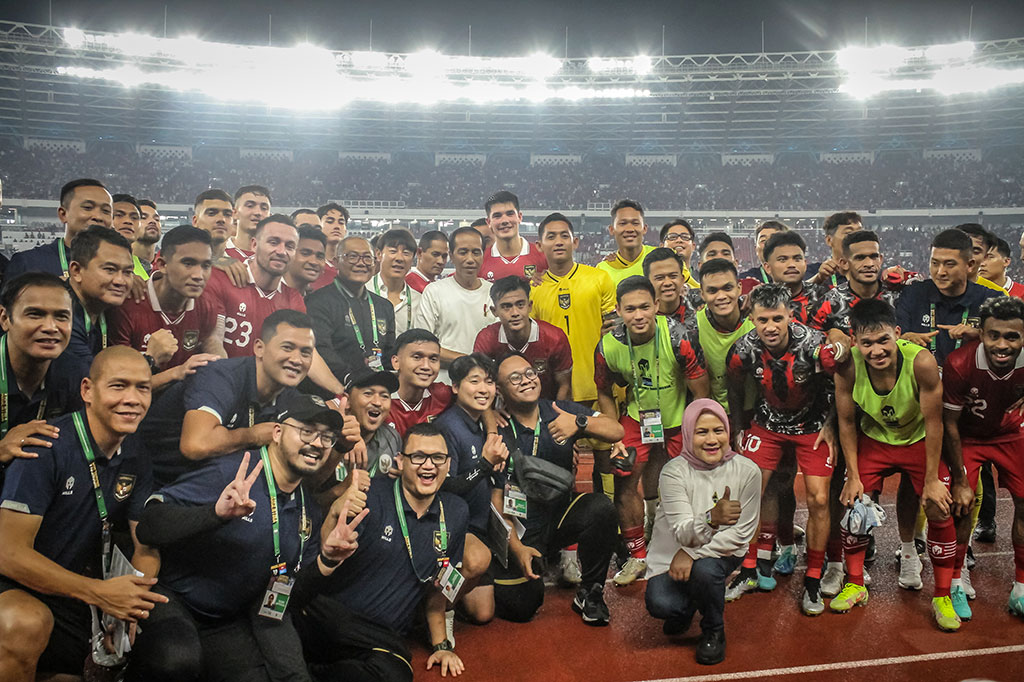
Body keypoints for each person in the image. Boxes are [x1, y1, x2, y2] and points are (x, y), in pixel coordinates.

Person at [127, 393, 350, 682]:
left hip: (226, 620)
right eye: (307, 431)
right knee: (177, 659)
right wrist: (215, 514)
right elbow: (148, 526)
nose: (317, 443)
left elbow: (286, 599)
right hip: (174, 600)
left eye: (327, 437)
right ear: (278, 433)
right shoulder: (233, 472)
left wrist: (326, 561)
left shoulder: (307, 509)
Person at [0, 347, 163, 681]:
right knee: (26, 623)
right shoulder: (46, 447)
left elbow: (145, 544)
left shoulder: (136, 453)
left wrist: (130, 605)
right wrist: (99, 593)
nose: (132, 399)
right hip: (13, 582)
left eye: (142, 388)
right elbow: (7, 553)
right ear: (87, 390)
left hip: (67, 589)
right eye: (118, 386)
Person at [294, 423, 470, 682]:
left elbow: (438, 590)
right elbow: (321, 557)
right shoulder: (368, 495)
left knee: (397, 673)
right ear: (400, 461)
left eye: (438, 458)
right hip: (330, 618)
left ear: (448, 463)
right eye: (418, 456)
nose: (429, 465)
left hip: (379, 638)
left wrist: (442, 646)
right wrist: (333, 514)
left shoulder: (456, 512)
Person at [834, 299, 959, 631]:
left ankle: (942, 596)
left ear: (898, 334)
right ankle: (856, 584)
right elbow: (846, 422)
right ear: (854, 341)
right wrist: (853, 476)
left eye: (883, 340)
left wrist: (932, 479)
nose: (876, 350)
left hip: (918, 439)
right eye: (867, 343)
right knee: (854, 503)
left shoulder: (921, 362)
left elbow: (934, 422)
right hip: (876, 439)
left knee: (938, 507)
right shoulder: (848, 367)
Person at [724, 284, 838, 615]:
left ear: (790, 315)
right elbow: (733, 385)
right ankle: (748, 569)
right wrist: (738, 426)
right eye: (763, 320)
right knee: (749, 491)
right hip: (767, 424)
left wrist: (832, 424)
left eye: (777, 318)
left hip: (812, 426)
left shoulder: (814, 345)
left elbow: (843, 383)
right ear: (752, 318)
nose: (770, 327)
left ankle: (813, 578)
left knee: (819, 499)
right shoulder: (743, 348)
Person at [595, 276, 710, 586]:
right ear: (618, 310)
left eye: (645, 307)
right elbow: (604, 390)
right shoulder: (608, 346)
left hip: (680, 417)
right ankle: (637, 554)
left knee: (692, 482)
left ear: (656, 306)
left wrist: (697, 434)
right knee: (624, 477)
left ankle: (692, 546)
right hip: (637, 417)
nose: (638, 315)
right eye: (630, 309)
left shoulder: (679, 336)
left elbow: (701, 391)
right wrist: (614, 435)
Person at [493, 353, 623, 624]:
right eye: (514, 378)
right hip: (520, 525)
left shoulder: (559, 410)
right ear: (499, 390)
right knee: (522, 606)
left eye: (530, 373)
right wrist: (516, 547)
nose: (526, 380)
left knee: (601, 509)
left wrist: (579, 423)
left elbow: (615, 430)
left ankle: (590, 592)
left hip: (560, 514)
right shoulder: (497, 426)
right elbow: (493, 499)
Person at [139, 309, 315, 486]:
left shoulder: (292, 397)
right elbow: (195, 445)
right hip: (149, 479)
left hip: (208, 485)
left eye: (306, 352)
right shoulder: (220, 376)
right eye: (287, 348)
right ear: (259, 348)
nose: (297, 360)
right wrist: (253, 435)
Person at [645, 399, 760, 666]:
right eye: (701, 432)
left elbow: (743, 534)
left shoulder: (748, 471)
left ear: (728, 432)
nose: (711, 440)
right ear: (688, 434)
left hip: (723, 550)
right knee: (661, 603)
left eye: (718, 431)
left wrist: (692, 554)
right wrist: (711, 519)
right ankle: (691, 604)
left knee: (705, 571)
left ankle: (713, 630)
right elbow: (682, 532)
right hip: (675, 551)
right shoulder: (673, 473)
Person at [941, 296, 1024, 620]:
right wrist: (961, 480)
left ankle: (1021, 587)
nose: (1002, 345)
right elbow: (949, 423)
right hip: (968, 436)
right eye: (994, 336)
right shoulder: (960, 363)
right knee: (961, 505)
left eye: (1012, 337)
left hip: (1010, 434)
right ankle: (956, 580)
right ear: (981, 334)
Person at [433, 354, 508, 625]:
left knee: (483, 613)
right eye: (474, 381)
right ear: (455, 387)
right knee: (477, 560)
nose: (483, 389)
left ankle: (447, 597)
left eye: (488, 382)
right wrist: (485, 464)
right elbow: (446, 486)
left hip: (479, 525)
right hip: (454, 526)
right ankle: (436, 608)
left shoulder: (483, 424)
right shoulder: (447, 427)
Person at [109, 225, 225, 390]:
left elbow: (210, 343)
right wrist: (176, 372)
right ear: (162, 265)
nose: (198, 275)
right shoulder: (128, 305)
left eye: (206, 266)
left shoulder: (206, 304)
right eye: (188, 263)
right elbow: (119, 386)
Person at [0, 273, 83, 479]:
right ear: (5, 319)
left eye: (61, 316)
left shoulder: (76, 374)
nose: (50, 327)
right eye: (35, 314)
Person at [530, 212, 616, 405]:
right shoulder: (533, 289)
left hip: (598, 386)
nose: (559, 242)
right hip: (553, 391)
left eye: (564, 236)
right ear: (539, 246)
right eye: (551, 237)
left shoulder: (599, 278)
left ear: (575, 242)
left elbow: (614, 328)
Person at [204, 214, 306, 358]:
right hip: (224, 371)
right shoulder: (221, 279)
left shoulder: (294, 299)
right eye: (273, 242)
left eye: (290, 246)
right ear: (254, 245)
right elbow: (212, 341)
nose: (282, 252)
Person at [896, 229, 1003, 364]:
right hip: (922, 374)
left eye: (949, 264)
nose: (940, 272)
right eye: (935, 263)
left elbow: (1010, 342)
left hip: (972, 376)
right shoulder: (913, 294)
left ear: (969, 265)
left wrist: (979, 335)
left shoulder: (992, 300)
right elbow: (894, 337)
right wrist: (905, 339)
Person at [307, 235, 396, 380]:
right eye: (352, 257)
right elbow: (322, 350)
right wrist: (351, 380)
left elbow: (389, 354)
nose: (361, 263)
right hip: (336, 386)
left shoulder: (384, 306)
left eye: (367, 258)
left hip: (377, 387)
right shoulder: (318, 302)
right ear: (336, 262)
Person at [413, 227, 495, 384]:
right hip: (443, 384)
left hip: (484, 385)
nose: (470, 259)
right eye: (463, 252)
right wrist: (471, 362)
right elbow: (423, 345)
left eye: (476, 252)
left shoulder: (493, 293)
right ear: (451, 256)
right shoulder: (435, 291)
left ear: (483, 255)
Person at [473, 276, 572, 401]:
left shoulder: (555, 338)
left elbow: (565, 386)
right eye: (506, 306)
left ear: (529, 306)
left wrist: (556, 412)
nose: (515, 313)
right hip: (503, 407)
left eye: (520, 304)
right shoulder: (486, 339)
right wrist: (492, 411)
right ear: (494, 311)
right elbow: (479, 385)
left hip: (546, 406)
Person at [5, 179, 112, 282]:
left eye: (106, 211)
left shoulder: (118, 265)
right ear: (63, 214)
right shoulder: (29, 263)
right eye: (88, 207)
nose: (98, 216)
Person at [65, 226, 135, 370]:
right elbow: (93, 376)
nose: (120, 281)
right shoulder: (61, 316)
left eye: (127, 272)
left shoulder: (106, 309)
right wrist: (151, 358)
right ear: (76, 271)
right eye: (110, 269)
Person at [692, 258, 755, 411]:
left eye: (727, 288)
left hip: (758, 413)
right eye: (712, 291)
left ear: (739, 288)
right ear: (702, 294)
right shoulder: (693, 328)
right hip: (714, 415)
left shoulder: (758, 319)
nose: (721, 296)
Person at [388, 329, 454, 438]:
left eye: (433, 359)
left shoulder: (442, 395)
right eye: (417, 357)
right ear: (396, 362)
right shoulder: (379, 400)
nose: (426, 366)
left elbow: (477, 397)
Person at [761, 231, 827, 325]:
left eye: (797, 259)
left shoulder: (825, 297)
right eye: (782, 260)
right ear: (767, 267)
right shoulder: (756, 302)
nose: (791, 265)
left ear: (805, 264)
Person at [480, 191, 547, 282]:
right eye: (497, 216)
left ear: (520, 217)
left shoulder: (543, 256)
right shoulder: (480, 260)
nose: (505, 221)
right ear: (488, 222)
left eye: (510, 214)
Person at [371, 228, 421, 334]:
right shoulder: (364, 291)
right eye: (393, 251)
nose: (399, 258)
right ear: (378, 254)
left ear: (412, 260)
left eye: (406, 253)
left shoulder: (419, 301)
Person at [597, 199, 656, 285]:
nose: (629, 229)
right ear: (612, 230)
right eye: (623, 223)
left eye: (635, 223)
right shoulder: (603, 270)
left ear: (644, 228)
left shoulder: (660, 257)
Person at [808, 212, 863, 287]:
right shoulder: (813, 271)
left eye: (860, 232)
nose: (857, 237)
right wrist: (819, 278)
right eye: (849, 233)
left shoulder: (871, 272)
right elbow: (798, 292)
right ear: (829, 240)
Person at [644, 247, 692, 324]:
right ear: (647, 283)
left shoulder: (700, 311)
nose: (667, 283)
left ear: (682, 279)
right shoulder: (639, 318)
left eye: (673, 276)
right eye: (660, 278)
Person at [224, 185, 271, 262]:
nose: (258, 212)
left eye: (264, 208)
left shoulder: (275, 256)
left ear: (270, 216)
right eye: (250, 206)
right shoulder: (217, 252)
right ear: (235, 213)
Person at [956, 223, 1008, 293]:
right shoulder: (940, 288)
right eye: (961, 248)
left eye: (975, 251)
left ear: (985, 257)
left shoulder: (996, 294)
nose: (968, 256)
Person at [111, 193, 150, 281]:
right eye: (119, 215)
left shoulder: (146, 267)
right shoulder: (87, 259)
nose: (128, 221)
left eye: (134, 217)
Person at [284, 225, 328, 296]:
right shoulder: (268, 295)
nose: (314, 262)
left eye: (319, 257)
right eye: (305, 254)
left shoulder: (318, 299)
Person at [191, 189, 235, 261]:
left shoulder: (243, 265)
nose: (221, 219)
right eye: (211, 213)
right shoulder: (177, 261)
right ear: (195, 221)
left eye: (227, 214)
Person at [658, 218, 699, 288]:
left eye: (685, 237)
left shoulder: (703, 279)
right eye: (672, 237)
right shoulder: (652, 279)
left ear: (693, 246)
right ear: (662, 246)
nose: (679, 240)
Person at [317, 202, 349, 274]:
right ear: (318, 227)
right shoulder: (313, 265)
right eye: (330, 222)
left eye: (341, 223)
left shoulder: (351, 266)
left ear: (345, 230)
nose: (337, 226)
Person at [133, 199, 162, 275]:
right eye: (143, 217)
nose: (153, 221)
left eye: (157, 219)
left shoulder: (166, 266)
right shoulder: (120, 264)